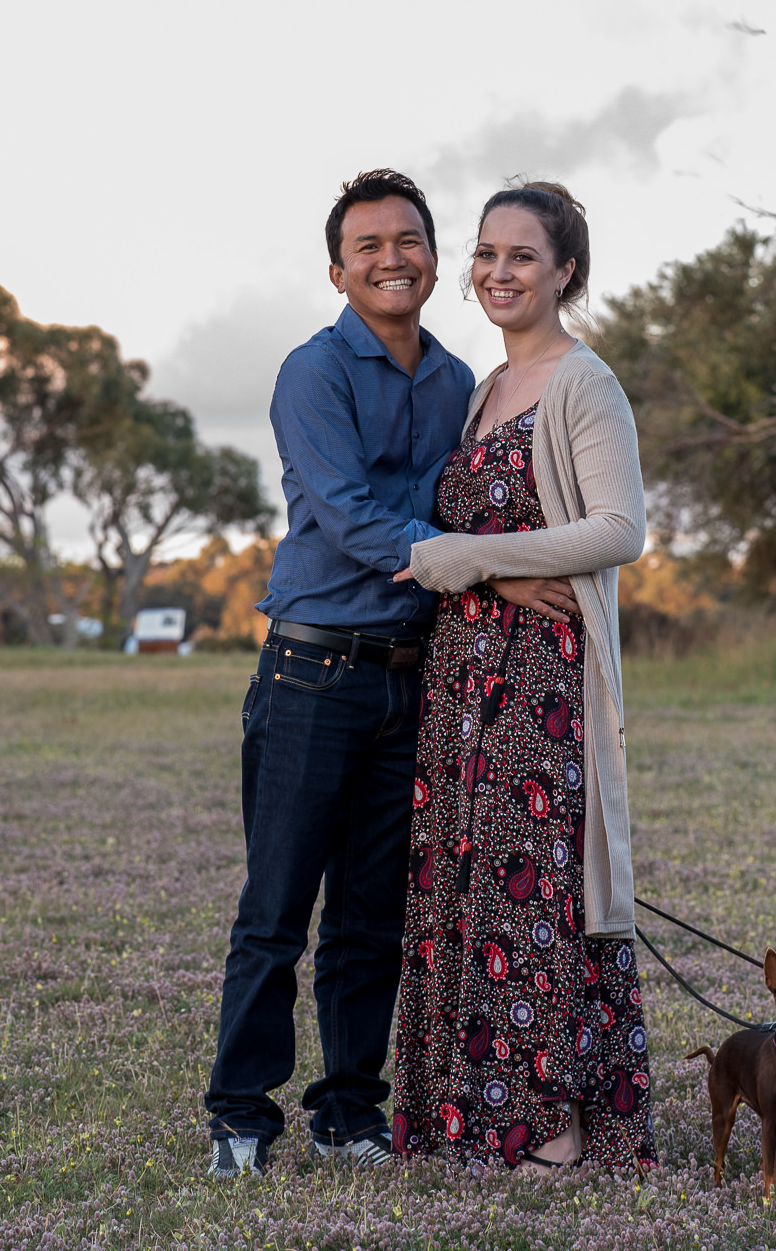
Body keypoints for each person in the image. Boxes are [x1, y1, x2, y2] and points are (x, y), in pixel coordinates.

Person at [204, 170, 577, 1177]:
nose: (390, 257)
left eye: (407, 238)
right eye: (367, 244)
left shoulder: (459, 380)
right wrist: (494, 570)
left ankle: (349, 1109)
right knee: (276, 909)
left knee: (372, 915)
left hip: (416, 679)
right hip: (311, 674)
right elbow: (353, 519)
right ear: (338, 267)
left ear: (430, 255)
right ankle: (240, 1110)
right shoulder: (310, 373)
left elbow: (469, 509)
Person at [389, 181, 656, 1169]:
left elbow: (620, 528)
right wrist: (476, 563)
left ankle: (556, 1127)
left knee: (529, 894)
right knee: (469, 889)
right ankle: (476, 1120)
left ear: (565, 271)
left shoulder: (580, 382)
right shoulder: (480, 389)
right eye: (486, 254)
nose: (498, 272)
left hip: (540, 680)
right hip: (463, 681)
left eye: (523, 257)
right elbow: (489, 540)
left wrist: (458, 557)